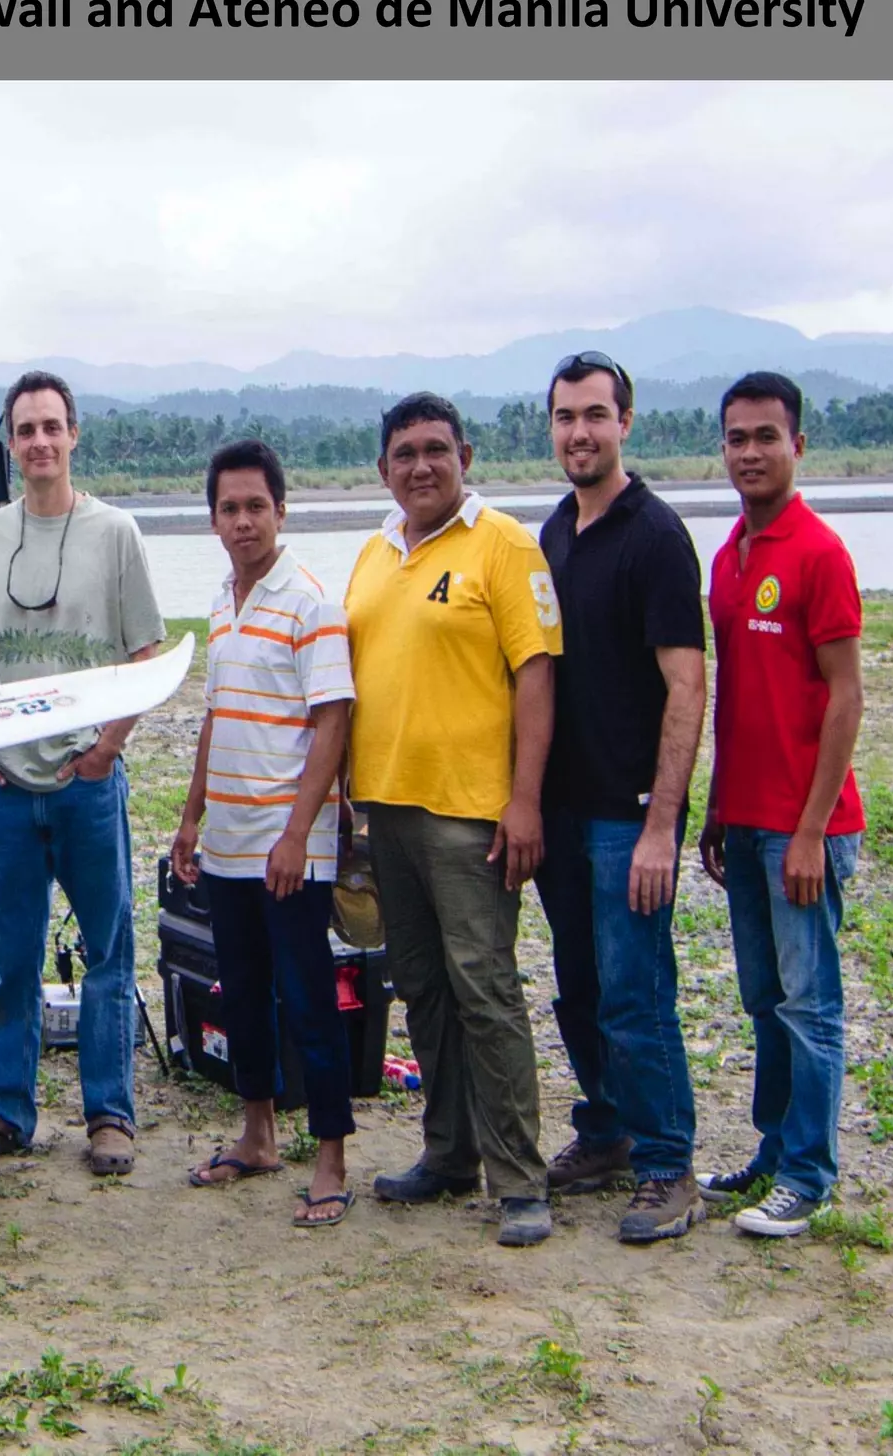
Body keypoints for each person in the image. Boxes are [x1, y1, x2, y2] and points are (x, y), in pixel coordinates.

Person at [344, 393, 562, 1247]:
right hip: (387, 810)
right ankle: (449, 1152)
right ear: (383, 467)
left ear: (465, 455)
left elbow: (536, 676)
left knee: (487, 991)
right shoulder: (372, 553)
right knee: (423, 989)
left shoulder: (505, 545)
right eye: (405, 453)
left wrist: (525, 798)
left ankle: (520, 1181)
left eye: (437, 449)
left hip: (470, 814)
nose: (421, 466)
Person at [0, 370, 164, 1176]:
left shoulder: (116, 534)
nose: (40, 442)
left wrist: (106, 750)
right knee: (13, 957)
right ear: (10, 444)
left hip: (87, 782)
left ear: (75, 435)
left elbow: (143, 654)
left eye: (52, 426)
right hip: (5, 791)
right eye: (25, 429)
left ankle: (109, 1112)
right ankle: (9, 1108)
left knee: (109, 949)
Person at [530, 353, 709, 1243]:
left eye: (595, 415)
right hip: (560, 812)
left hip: (625, 817)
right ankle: (607, 1129)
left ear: (625, 422)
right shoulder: (555, 532)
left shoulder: (656, 536)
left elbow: (687, 686)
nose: (580, 433)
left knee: (637, 993)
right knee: (577, 987)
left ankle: (669, 1164)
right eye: (565, 418)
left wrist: (661, 826)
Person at [697, 370, 866, 1239]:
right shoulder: (730, 556)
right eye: (737, 437)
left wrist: (809, 831)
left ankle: (809, 1174)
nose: (751, 452)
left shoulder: (819, 553)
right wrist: (721, 804)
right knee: (764, 1002)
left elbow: (845, 699)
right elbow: (739, 695)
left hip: (809, 831)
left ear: (798, 445)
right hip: (749, 821)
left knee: (811, 1005)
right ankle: (772, 1150)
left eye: (767, 436)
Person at [172, 440, 357, 1226]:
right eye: (228, 508)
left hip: (290, 847)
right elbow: (216, 717)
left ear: (282, 511)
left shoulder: (311, 600)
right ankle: (257, 1135)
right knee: (239, 990)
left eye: (256, 506)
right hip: (229, 844)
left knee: (308, 998)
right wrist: (190, 817)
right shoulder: (222, 601)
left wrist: (296, 833)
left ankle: (331, 1158)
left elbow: (332, 722)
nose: (242, 521)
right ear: (212, 518)